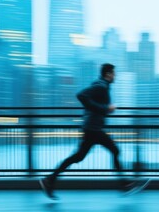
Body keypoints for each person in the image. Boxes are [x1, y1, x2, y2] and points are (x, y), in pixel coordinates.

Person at [39, 63, 149, 200]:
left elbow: (91, 103)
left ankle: (49, 180)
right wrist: (105, 109)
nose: (115, 76)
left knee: (78, 157)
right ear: (108, 74)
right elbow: (80, 95)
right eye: (114, 73)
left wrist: (103, 109)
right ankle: (124, 184)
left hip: (92, 128)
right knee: (114, 150)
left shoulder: (103, 86)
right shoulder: (100, 86)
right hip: (93, 129)